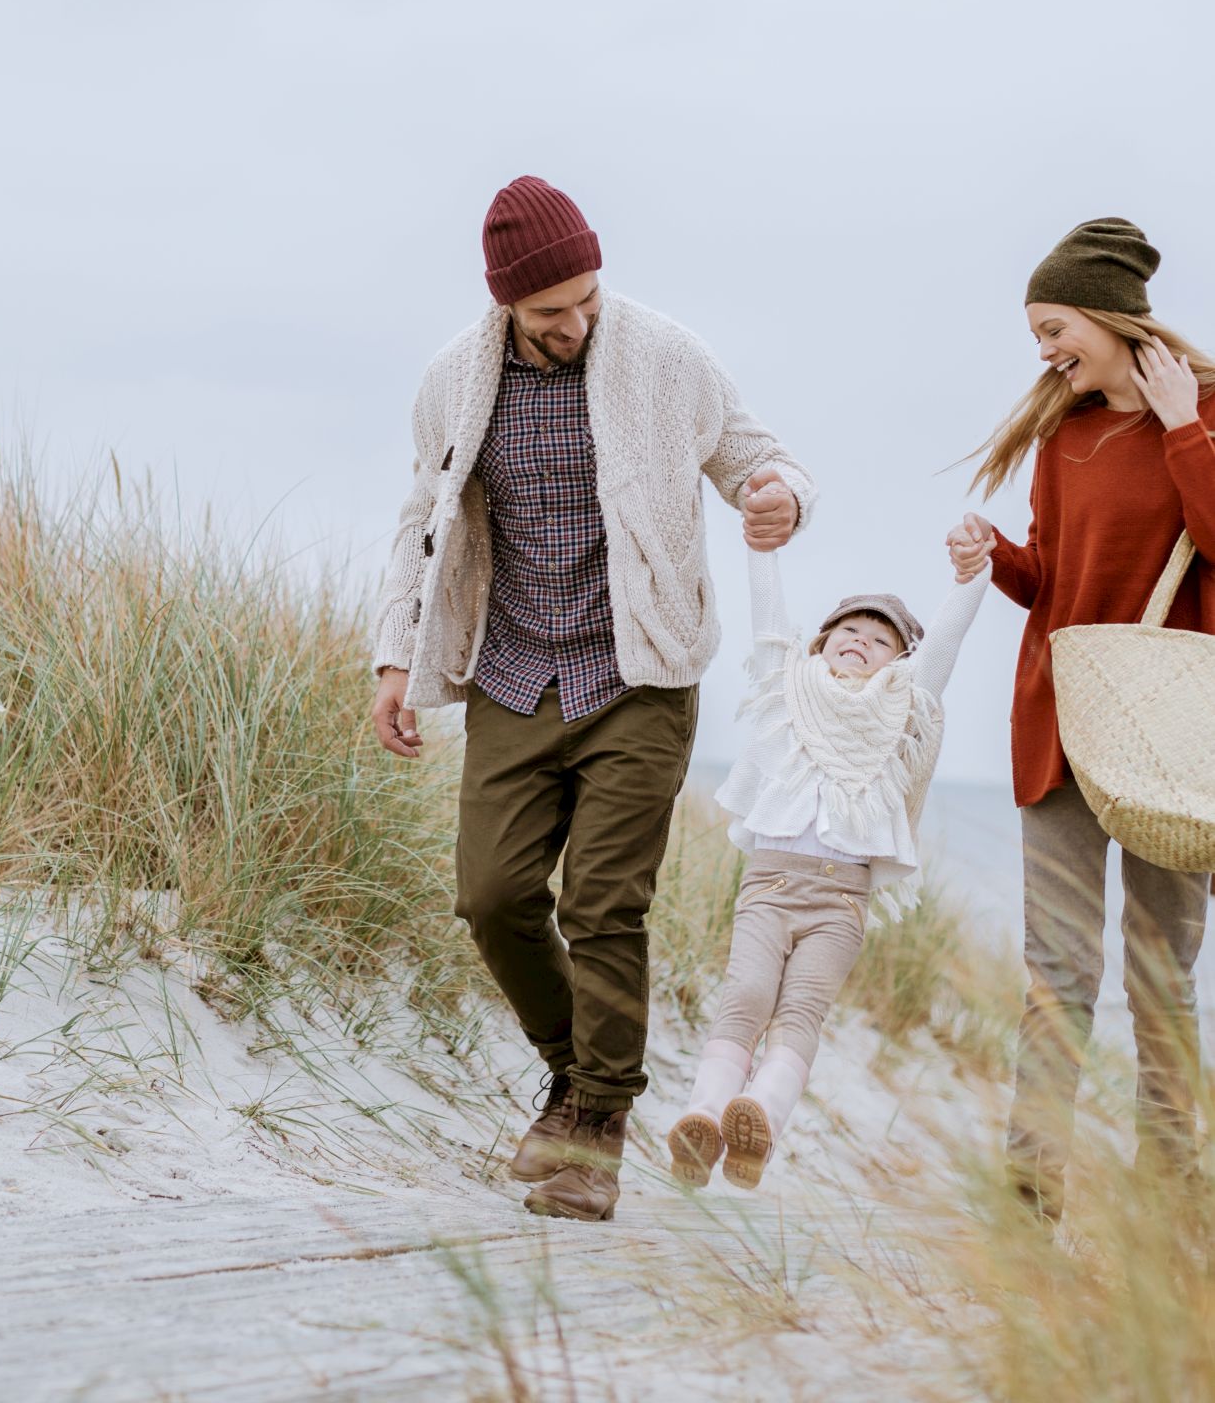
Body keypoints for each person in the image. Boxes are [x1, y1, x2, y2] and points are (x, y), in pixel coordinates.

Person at [370, 176, 814, 1222]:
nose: (574, 323)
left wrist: (779, 496)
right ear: (505, 306)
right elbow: (419, 521)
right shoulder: (452, 381)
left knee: (605, 903)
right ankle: (578, 1075)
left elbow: (759, 456)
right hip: (515, 669)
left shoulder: (665, 355)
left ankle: (595, 1132)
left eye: (585, 299)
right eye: (548, 311)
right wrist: (396, 658)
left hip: (639, 672)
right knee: (493, 895)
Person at [952, 216, 1215, 1226]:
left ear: (1108, 317)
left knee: (1163, 974)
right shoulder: (1061, 436)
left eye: (1055, 324)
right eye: (1035, 332)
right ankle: (1030, 1190)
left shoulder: (1207, 412)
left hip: (1172, 741)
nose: (1044, 350)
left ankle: (1175, 1187)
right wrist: (998, 556)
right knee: (1058, 973)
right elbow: (1061, 584)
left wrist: (1186, 423)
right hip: (1061, 729)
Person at [667, 528, 988, 1188]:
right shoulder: (787, 688)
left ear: (898, 664)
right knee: (746, 995)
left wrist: (972, 577)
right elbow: (767, 613)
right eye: (848, 629)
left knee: (801, 1010)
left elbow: (945, 647)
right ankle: (702, 1118)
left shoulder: (901, 710)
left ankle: (760, 1119)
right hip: (768, 886)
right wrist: (763, 546)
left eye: (880, 639)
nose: (860, 640)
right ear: (820, 640)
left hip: (840, 901)